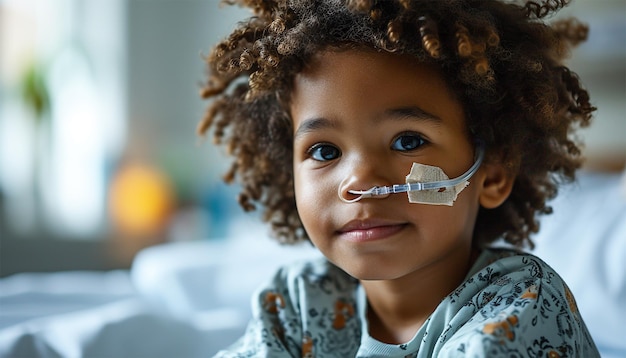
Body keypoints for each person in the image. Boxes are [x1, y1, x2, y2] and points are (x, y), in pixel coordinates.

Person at [198, 0, 599, 356]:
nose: (358, 182)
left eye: (407, 141)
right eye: (324, 151)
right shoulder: (299, 302)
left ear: (491, 175)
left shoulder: (523, 304)